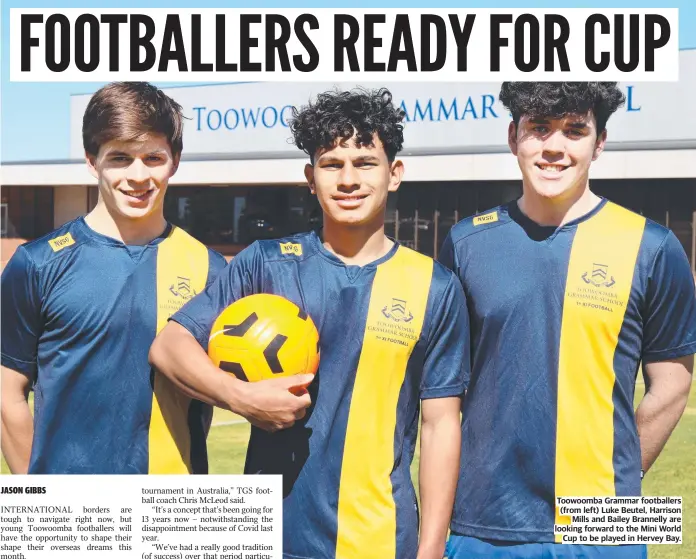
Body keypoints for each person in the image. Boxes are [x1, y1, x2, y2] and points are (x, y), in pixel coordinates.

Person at [149, 87, 469, 559]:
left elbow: (440, 425)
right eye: (331, 164)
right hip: (273, 536)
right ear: (310, 178)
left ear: (394, 174)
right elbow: (169, 346)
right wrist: (241, 397)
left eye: (365, 162)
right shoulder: (266, 264)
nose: (348, 179)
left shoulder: (435, 287)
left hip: (382, 539)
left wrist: (431, 549)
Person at [439, 82, 696, 559]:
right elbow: (441, 395)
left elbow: (672, 385)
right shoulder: (465, 242)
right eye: (539, 129)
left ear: (599, 143)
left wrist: (617, 476)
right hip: (482, 525)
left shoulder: (653, 247)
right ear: (513, 136)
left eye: (575, 130)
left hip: (606, 529)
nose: (554, 146)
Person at [1, 81, 233, 474]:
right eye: (120, 158)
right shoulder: (36, 263)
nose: (138, 176)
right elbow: (7, 392)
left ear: (174, 161)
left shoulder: (211, 270)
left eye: (153, 158)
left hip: (173, 517)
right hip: (74, 522)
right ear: (93, 161)